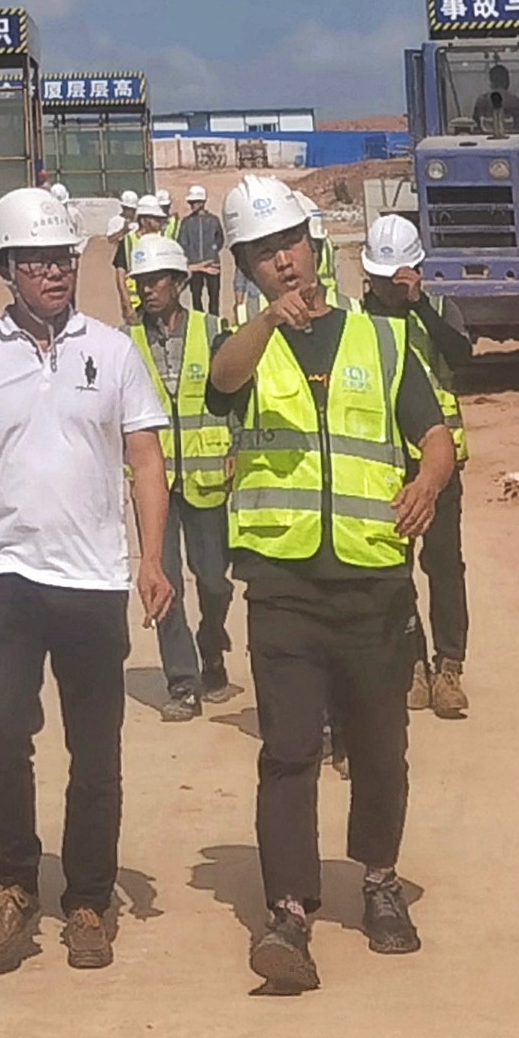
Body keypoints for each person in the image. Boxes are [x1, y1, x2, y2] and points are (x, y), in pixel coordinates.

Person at [204, 174, 455, 995]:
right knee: (288, 750)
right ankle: (287, 911)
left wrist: (428, 481)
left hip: (372, 579)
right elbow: (223, 382)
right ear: (245, 267)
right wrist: (266, 322)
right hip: (282, 583)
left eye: (288, 244)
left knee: (380, 745)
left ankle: (378, 881)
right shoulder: (247, 345)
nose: (281, 261)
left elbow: (433, 433)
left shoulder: (381, 340)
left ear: (312, 245)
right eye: (261, 253)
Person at [0, 188, 172, 975]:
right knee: (0, 728)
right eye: (35, 261)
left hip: (93, 577)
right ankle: (14, 881)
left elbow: (145, 460)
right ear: (6, 268)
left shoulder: (114, 351)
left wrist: (152, 559)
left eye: (62, 257)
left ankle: (89, 898)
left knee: (95, 747)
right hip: (7, 572)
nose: (54, 271)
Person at [358, 214, 475, 720]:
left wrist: (419, 304)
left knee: (444, 565)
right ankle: (411, 665)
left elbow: (462, 357)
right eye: (381, 280)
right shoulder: (357, 320)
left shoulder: (440, 310)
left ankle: (449, 666)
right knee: (393, 570)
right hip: (385, 464)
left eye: (397, 279)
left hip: (441, 463)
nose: (389, 289)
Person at [126, 230, 237, 717]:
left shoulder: (213, 331)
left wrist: (237, 446)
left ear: (178, 282)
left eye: (156, 280)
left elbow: (236, 392)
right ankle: (183, 682)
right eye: (142, 282)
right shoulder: (126, 342)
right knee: (164, 577)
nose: (148, 290)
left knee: (214, 580)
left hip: (208, 477)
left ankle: (212, 642)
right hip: (154, 484)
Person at [178, 185, 225, 318]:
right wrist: (191, 258)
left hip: (212, 264)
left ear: (202, 202)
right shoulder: (186, 222)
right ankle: (199, 321)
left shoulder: (213, 220)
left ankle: (214, 320)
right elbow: (182, 242)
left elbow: (220, 239)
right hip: (195, 266)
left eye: (194, 202)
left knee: (214, 297)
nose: (192, 205)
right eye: (191, 202)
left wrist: (212, 251)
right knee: (196, 297)